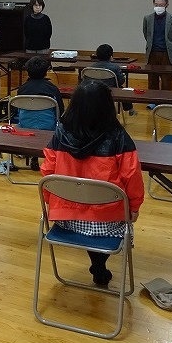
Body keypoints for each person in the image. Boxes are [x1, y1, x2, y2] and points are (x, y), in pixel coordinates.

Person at [41, 79, 144, 286]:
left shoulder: (60, 134)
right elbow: (132, 176)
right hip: (107, 218)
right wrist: (134, 207)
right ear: (108, 106)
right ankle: (99, 265)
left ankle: (98, 265)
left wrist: (53, 200)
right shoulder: (119, 137)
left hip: (66, 217)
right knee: (110, 221)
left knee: (89, 217)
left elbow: (47, 173)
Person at [142, 0, 172, 91]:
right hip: (152, 52)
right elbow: (146, 34)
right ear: (153, 4)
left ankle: (166, 100)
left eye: (161, 5)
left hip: (167, 53)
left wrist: (171, 45)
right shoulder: (147, 18)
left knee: (166, 80)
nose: (158, 7)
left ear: (167, 5)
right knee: (152, 79)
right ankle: (152, 99)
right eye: (156, 5)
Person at [15, 56, 64, 129]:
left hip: (25, 126)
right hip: (49, 128)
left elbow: (17, 111)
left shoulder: (21, 90)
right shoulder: (52, 89)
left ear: (28, 72)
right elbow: (60, 111)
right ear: (46, 72)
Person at [92, 44, 136, 116]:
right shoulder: (115, 67)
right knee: (124, 91)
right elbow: (121, 81)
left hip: (94, 90)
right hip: (111, 91)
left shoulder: (91, 67)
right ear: (111, 56)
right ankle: (130, 110)